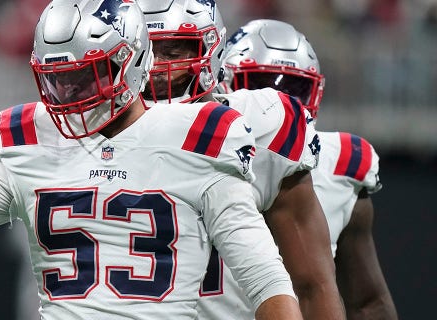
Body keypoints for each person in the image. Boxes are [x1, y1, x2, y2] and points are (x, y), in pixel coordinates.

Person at [0, 0, 303, 319]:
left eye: (86, 75)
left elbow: (266, 281)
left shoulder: (197, 135)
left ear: (134, 60)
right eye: (58, 80)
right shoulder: (31, 139)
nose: (70, 93)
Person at [137, 1, 344, 319]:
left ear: (212, 51)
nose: (156, 67)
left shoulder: (261, 126)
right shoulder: (88, 134)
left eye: (174, 52)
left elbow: (313, 285)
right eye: (146, 52)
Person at [222, 19, 398, 319]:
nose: (277, 106)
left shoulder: (340, 166)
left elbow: (368, 303)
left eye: (294, 89)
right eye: (260, 86)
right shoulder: (196, 150)